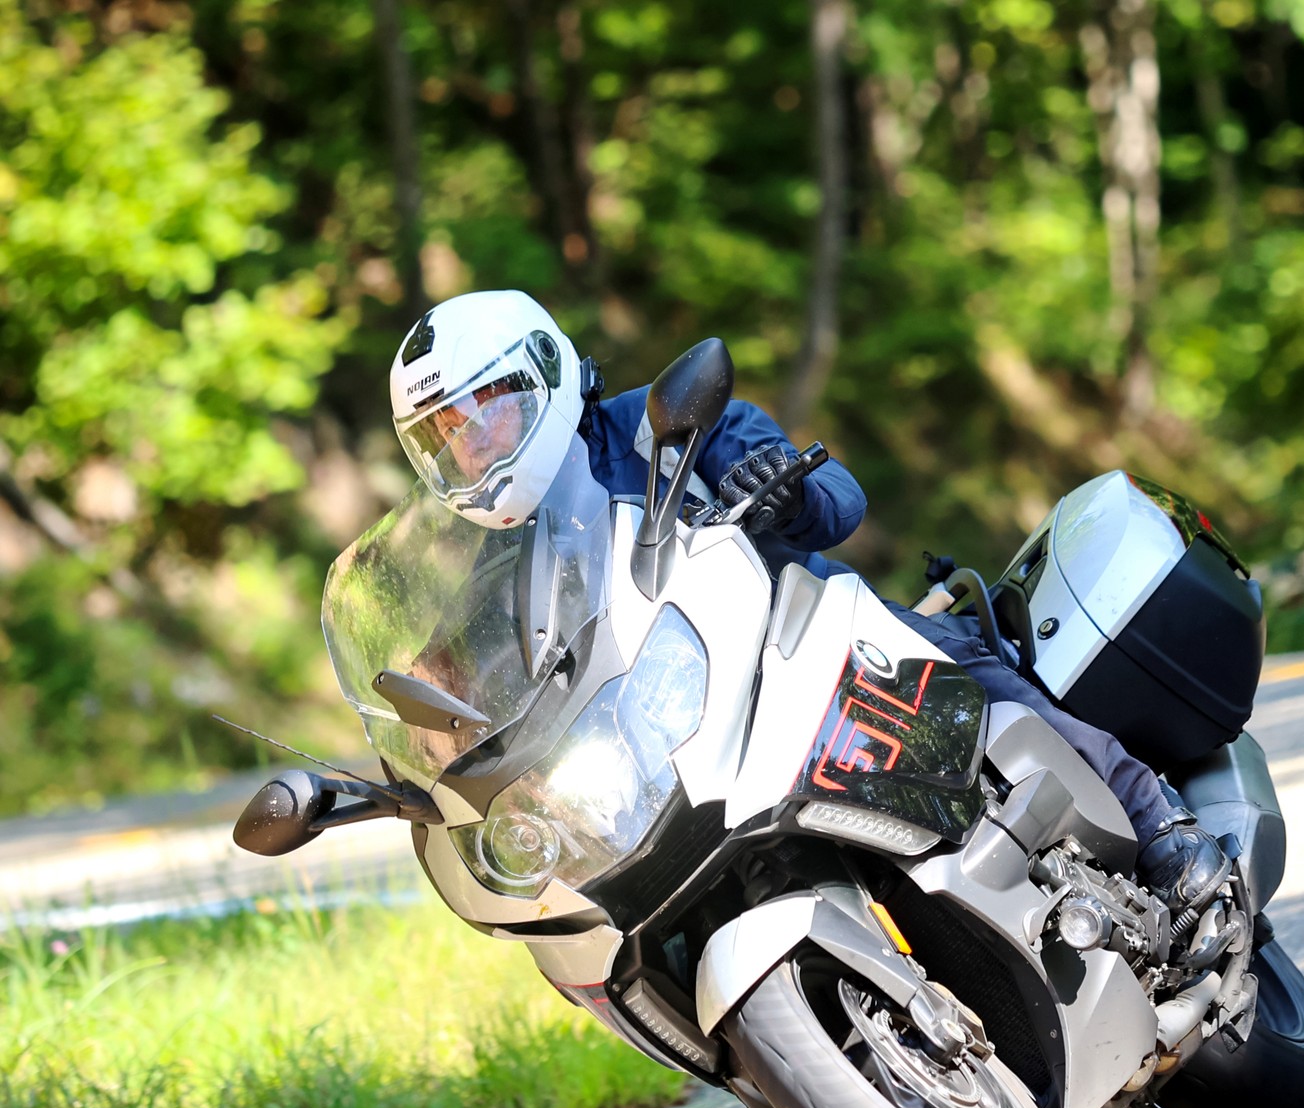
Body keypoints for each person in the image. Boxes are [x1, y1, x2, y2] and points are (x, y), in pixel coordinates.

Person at [387, 290, 1227, 913]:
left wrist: (782, 493)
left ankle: (1157, 819)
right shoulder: (502, 562)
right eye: (444, 435)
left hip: (809, 653)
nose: (468, 445)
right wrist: (418, 762)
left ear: (542, 376)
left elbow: (838, 500)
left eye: (480, 415)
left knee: (948, 667)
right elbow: (441, 680)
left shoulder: (666, 423)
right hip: (688, 741)